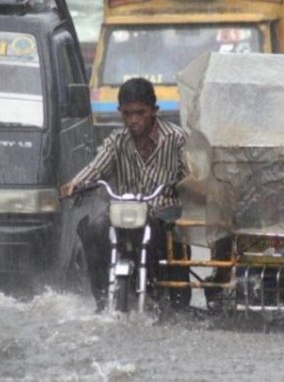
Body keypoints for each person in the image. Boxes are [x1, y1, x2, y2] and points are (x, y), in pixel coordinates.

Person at [60, 77, 190, 312]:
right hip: (123, 210)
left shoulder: (176, 138)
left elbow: (191, 176)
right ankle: (101, 299)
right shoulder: (116, 140)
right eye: (127, 113)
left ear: (154, 111)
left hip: (162, 212)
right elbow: (97, 165)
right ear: (120, 112)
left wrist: (189, 185)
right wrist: (76, 183)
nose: (134, 120)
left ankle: (162, 293)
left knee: (166, 235)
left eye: (140, 113)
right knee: (95, 228)